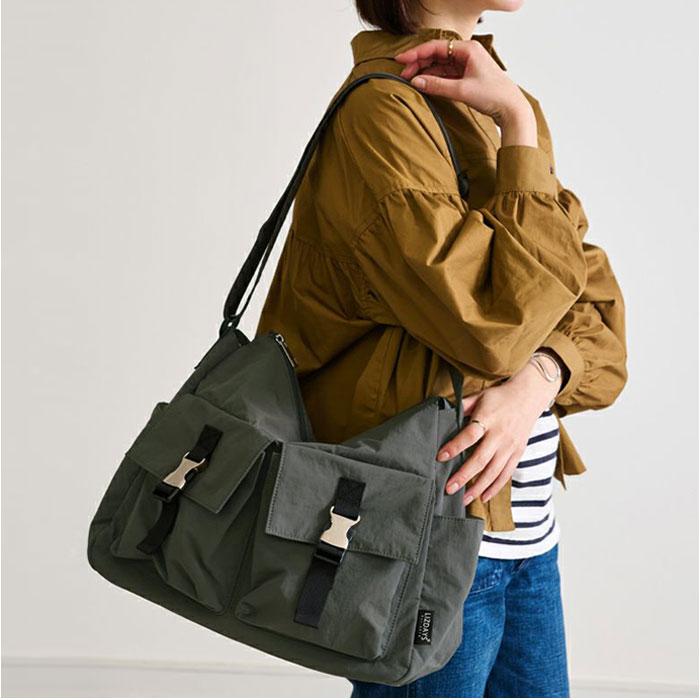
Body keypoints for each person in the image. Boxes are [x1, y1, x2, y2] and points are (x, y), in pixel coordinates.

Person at [255, 0, 628, 696]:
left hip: (527, 540)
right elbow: (495, 323)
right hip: (430, 536)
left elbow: (597, 314)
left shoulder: (496, 102)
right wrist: (518, 126)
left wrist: (539, 380)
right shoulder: (383, 114)